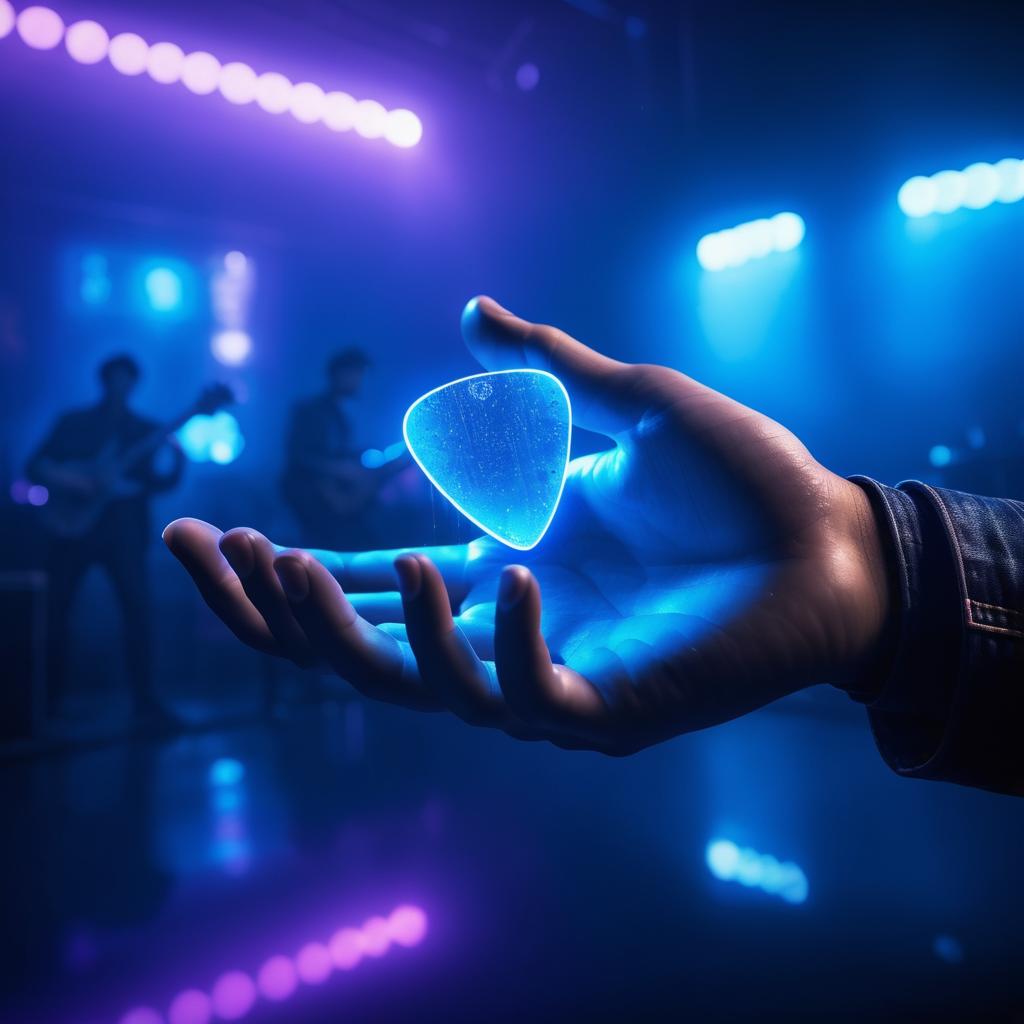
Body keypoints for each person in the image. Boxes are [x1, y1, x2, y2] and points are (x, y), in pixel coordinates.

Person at [164, 298, 1023, 795]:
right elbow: (307, 466)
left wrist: (856, 557)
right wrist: (866, 565)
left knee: (359, 601)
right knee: (333, 600)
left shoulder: (434, 421)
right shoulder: (315, 415)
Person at [28, 354, 184, 723]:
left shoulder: (146, 429)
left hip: (124, 535)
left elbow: (158, 484)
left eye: (127, 377)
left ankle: (145, 703)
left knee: (138, 613)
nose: (121, 384)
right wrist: (76, 481)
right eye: (115, 377)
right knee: (55, 613)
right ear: (104, 380)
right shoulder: (73, 423)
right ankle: (47, 703)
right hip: (71, 533)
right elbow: (34, 466)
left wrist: (178, 458)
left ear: (134, 382)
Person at [280, 347, 387, 551]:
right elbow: (299, 454)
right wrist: (339, 469)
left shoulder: (337, 416)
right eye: (357, 373)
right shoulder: (311, 410)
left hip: (328, 499)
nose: (361, 380)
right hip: (311, 498)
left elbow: (333, 453)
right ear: (340, 374)